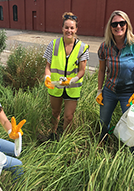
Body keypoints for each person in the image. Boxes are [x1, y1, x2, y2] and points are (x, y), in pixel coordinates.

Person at [96, 10, 134, 152]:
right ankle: (101, 148)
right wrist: (99, 91)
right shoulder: (104, 46)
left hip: (129, 94)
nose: (118, 26)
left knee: (132, 127)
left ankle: (133, 158)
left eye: (121, 23)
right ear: (110, 27)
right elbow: (101, 70)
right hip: (109, 92)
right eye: (115, 24)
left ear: (127, 24)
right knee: (103, 122)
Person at [43, 12, 89, 141]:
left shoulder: (82, 48)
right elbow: (48, 66)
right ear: (62, 28)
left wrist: (72, 80)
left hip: (72, 87)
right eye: (66, 27)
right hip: (55, 86)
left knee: (68, 116)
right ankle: (53, 134)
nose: (69, 30)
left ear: (76, 29)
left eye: (72, 28)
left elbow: (82, 71)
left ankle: (65, 139)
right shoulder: (53, 44)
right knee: (55, 113)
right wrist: (47, 77)